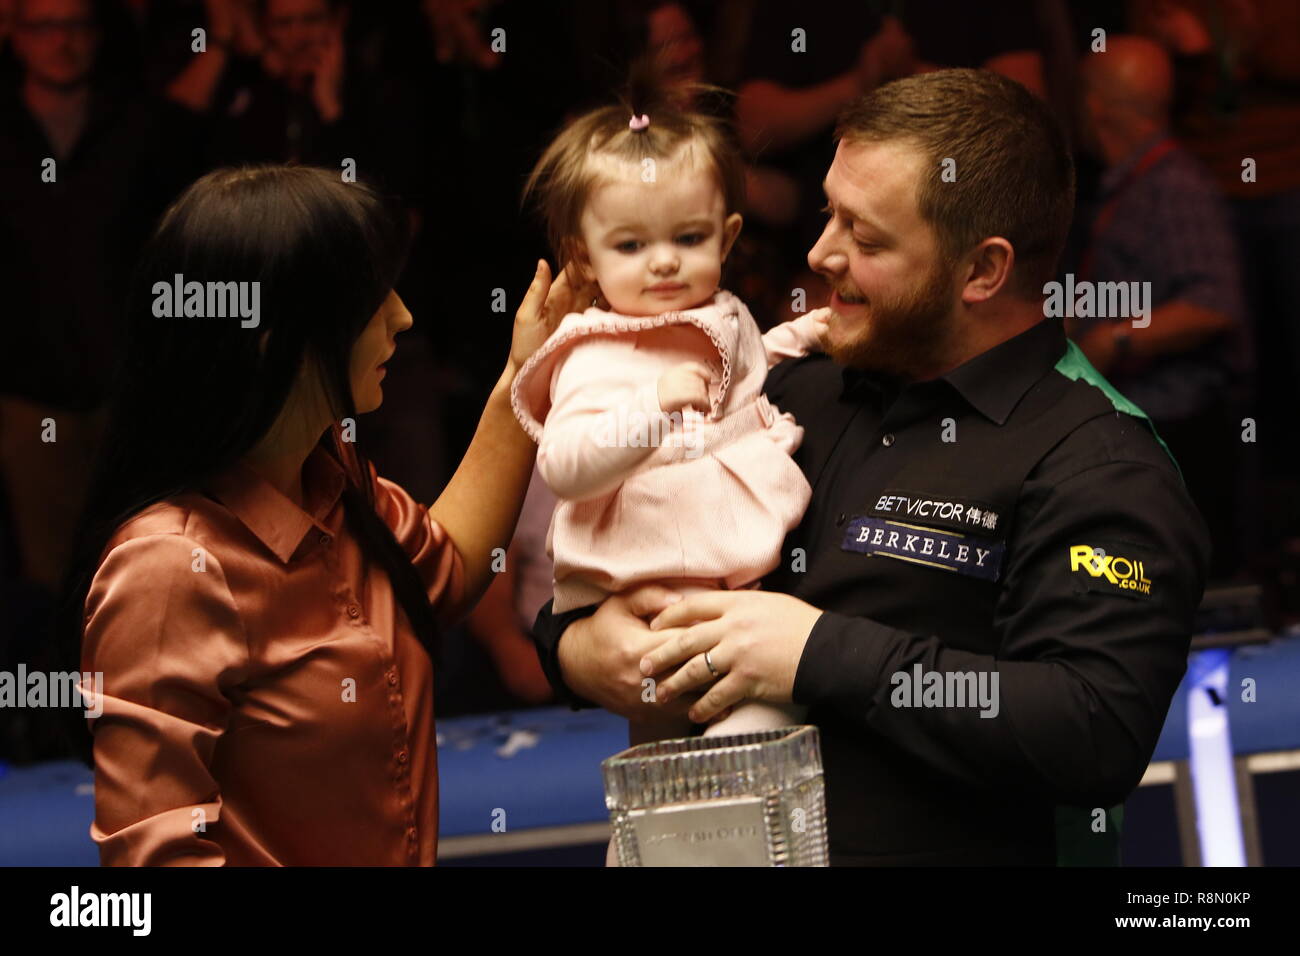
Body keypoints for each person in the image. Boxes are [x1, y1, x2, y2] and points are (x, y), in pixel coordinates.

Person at [531, 69, 1211, 866]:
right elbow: (616, 554)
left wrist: (818, 653)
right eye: (829, 214)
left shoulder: (1097, 457)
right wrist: (579, 652)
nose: (821, 253)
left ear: (982, 271)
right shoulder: (792, 383)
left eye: (866, 236)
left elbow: (1091, 728)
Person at [58, 164, 579, 865]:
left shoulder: (332, 478)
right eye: (371, 298)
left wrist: (528, 371)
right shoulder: (168, 570)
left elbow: (444, 569)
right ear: (273, 337)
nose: (402, 316)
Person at [511, 73, 827, 751]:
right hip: (644, 595)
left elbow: (748, 371)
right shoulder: (593, 352)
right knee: (668, 757)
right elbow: (566, 465)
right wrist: (649, 411)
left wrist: (804, 335)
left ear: (727, 234)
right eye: (629, 246)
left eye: (688, 238)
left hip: (738, 578)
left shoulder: (722, 314)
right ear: (583, 258)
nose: (663, 263)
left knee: (756, 726)